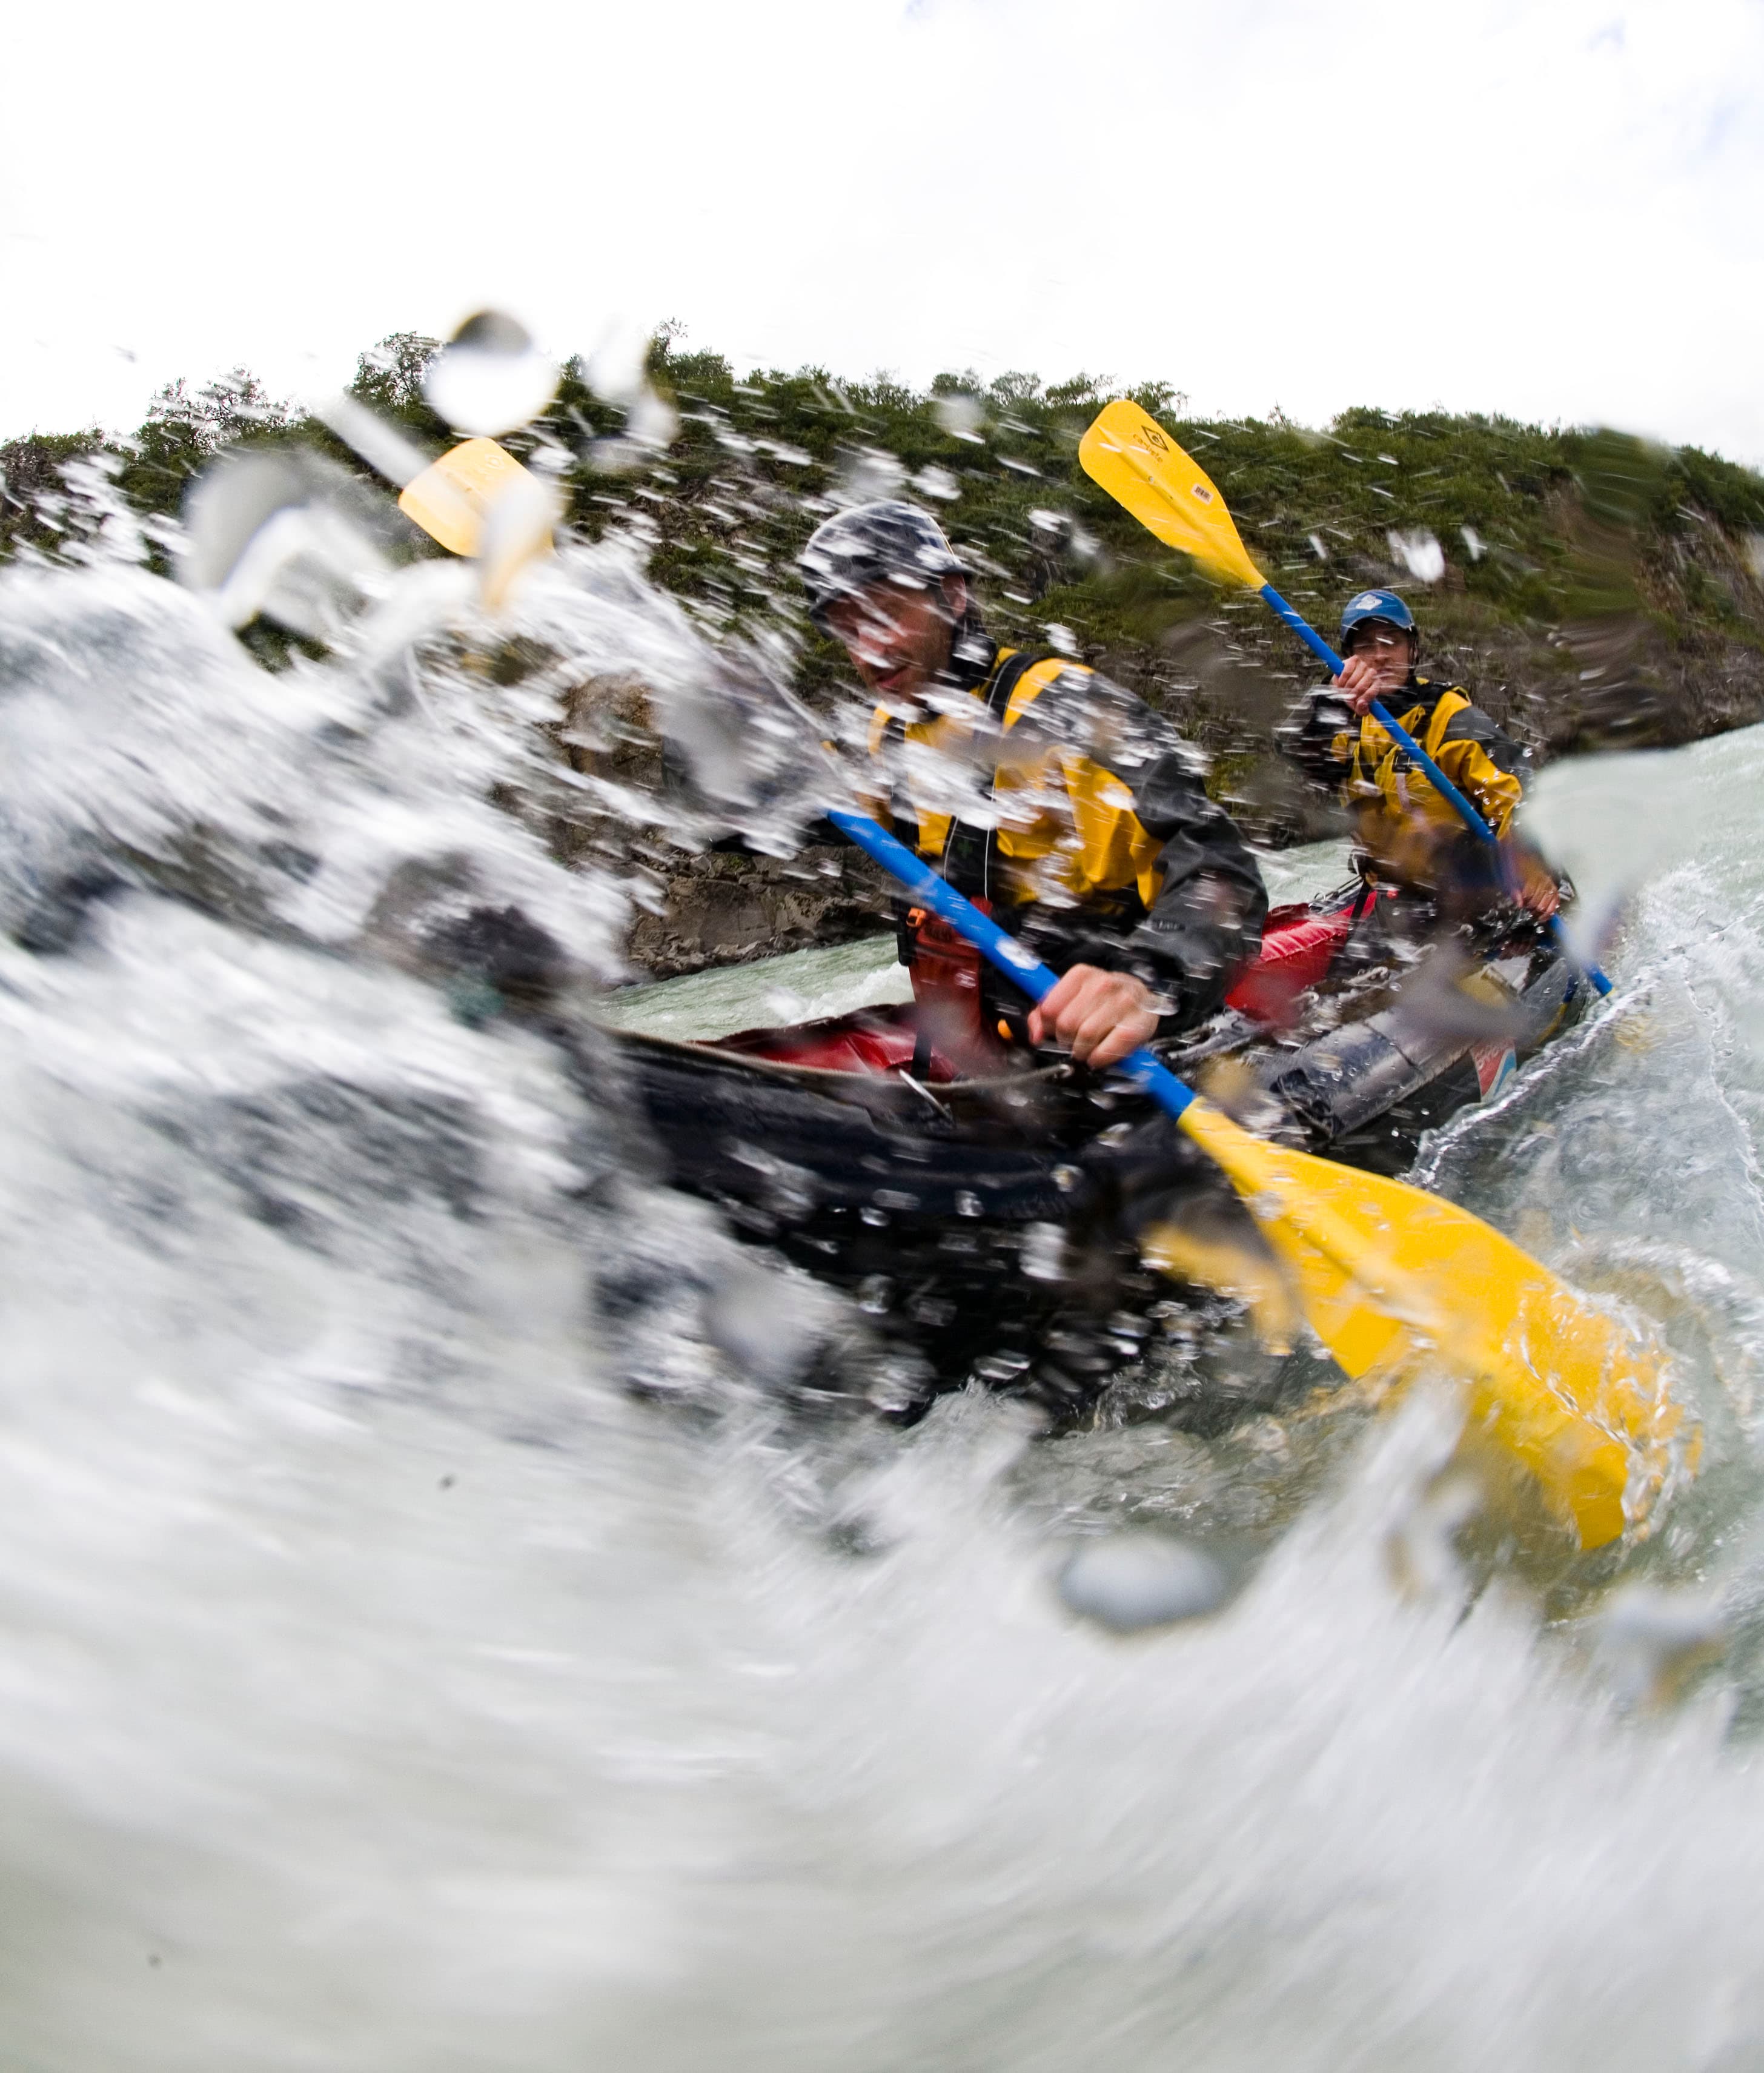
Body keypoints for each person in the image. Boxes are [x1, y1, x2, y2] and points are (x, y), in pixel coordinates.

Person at [799, 502, 1267, 1070]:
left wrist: (1149, 979)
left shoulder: (1071, 711)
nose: (868, 651)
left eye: (885, 614)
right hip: (985, 1058)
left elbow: (1221, 872)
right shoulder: (886, 734)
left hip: (1119, 1060)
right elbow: (780, 818)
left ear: (952, 596)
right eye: (848, 629)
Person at [1281, 588, 1559, 918]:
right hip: (1400, 901)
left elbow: (1520, 793)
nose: (1380, 656)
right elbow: (1292, 749)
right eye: (1366, 645)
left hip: (1477, 897)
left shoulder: (1452, 718)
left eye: (1390, 641)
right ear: (1349, 659)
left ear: (1412, 651)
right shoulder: (1346, 729)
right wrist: (1327, 696)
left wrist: (1534, 866)